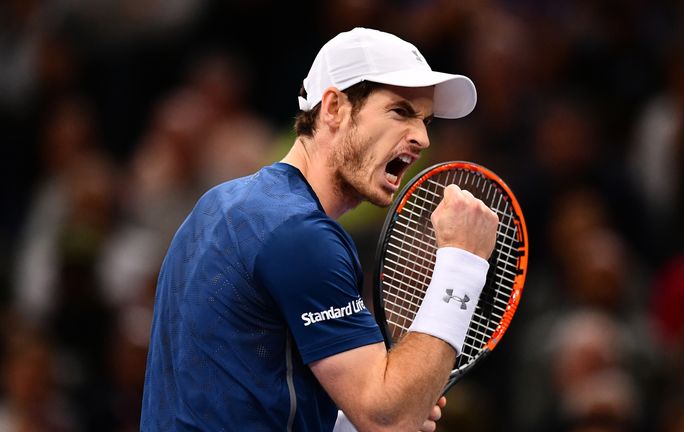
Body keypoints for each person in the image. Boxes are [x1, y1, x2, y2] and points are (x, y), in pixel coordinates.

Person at [140, 27, 499, 431]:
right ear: (334, 108)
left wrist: (344, 421)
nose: (422, 138)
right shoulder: (300, 235)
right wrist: (462, 261)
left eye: (426, 120)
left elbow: (231, 390)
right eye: (401, 111)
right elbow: (390, 418)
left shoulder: (219, 204)